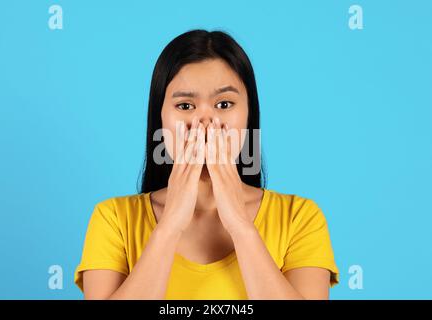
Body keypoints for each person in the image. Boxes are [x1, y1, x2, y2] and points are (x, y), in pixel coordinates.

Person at [74, 29, 339, 299]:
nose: (204, 123)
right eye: (185, 106)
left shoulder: (300, 218)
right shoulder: (113, 219)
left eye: (224, 104)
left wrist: (240, 224)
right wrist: (169, 225)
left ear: (249, 115)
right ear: (161, 118)